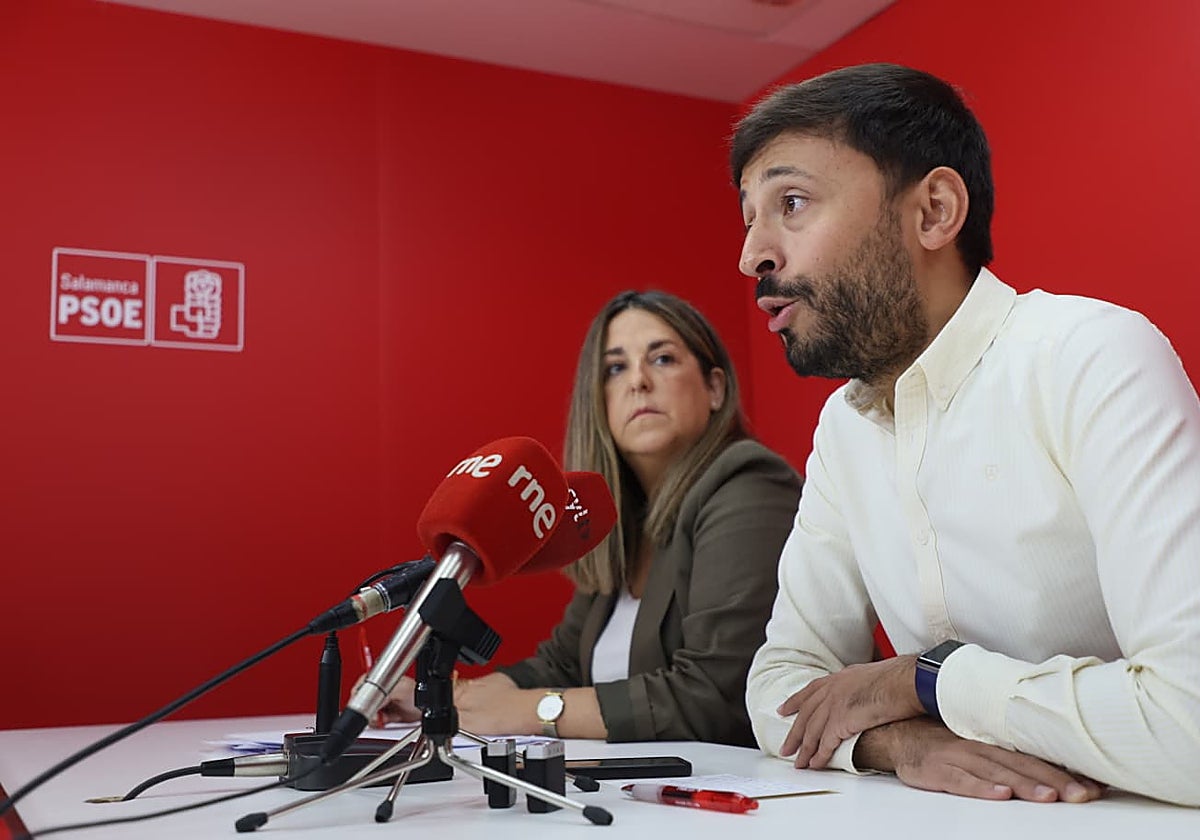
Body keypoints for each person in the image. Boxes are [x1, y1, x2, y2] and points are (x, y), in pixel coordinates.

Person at [735, 63, 1200, 807]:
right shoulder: (846, 426)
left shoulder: (1092, 355)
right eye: (748, 217)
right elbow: (782, 682)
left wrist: (925, 679)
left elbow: (1193, 725)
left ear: (934, 211)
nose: (751, 256)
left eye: (792, 203)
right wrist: (899, 738)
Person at [371, 290, 802, 746]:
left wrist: (527, 712)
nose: (638, 381)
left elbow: (714, 695)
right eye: (615, 368)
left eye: (662, 359)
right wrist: (443, 699)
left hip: (763, 803)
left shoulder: (749, 485)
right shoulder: (618, 519)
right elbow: (560, 664)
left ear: (714, 388)